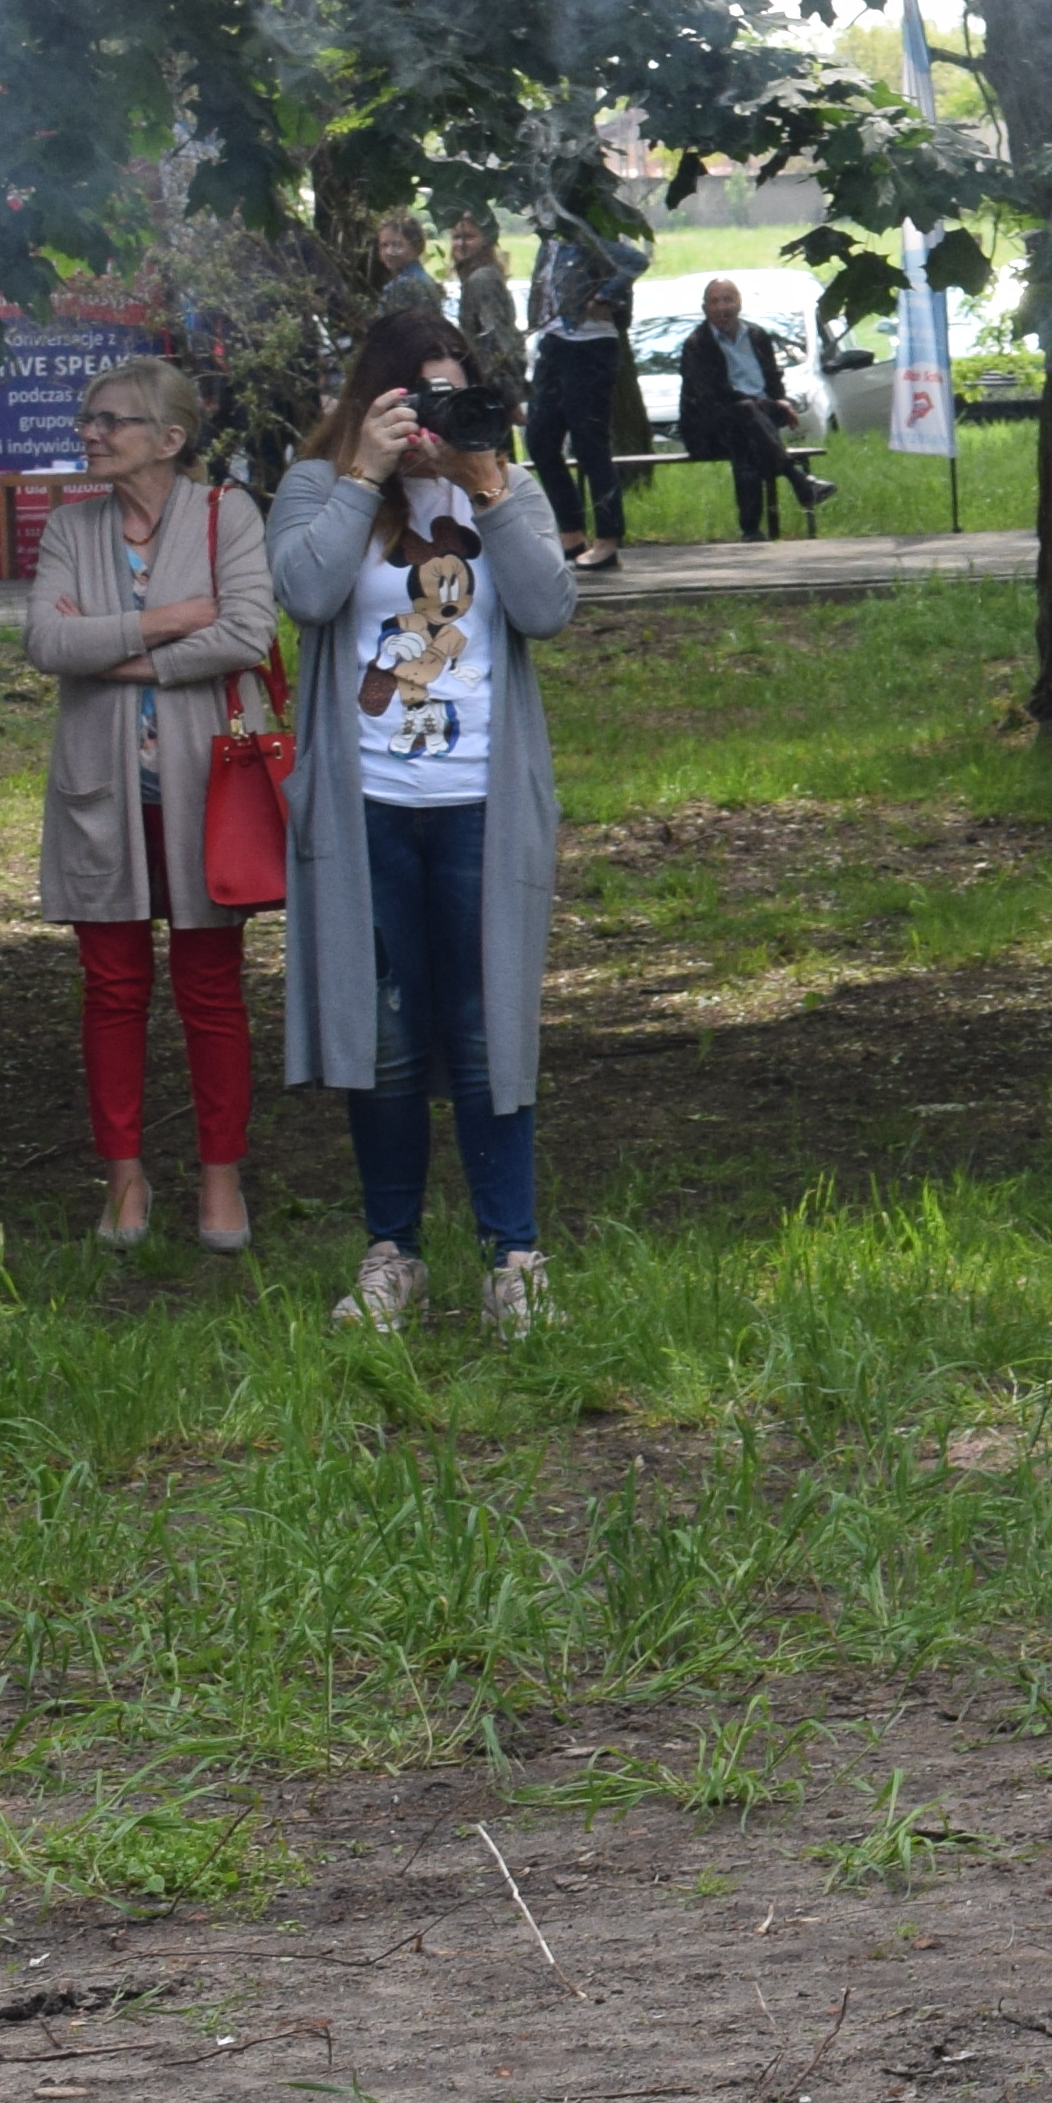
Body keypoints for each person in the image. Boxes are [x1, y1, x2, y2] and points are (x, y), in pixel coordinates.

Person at [273, 301, 582, 1333]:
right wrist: (363, 471)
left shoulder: (510, 489)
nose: (439, 418)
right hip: (366, 807)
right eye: (420, 396)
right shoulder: (319, 487)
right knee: (389, 1036)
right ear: (376, 401)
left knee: (492, 1026)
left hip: (482, 809)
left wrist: (490, 489)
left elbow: (548, 609)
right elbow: (305, 595)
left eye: (457, 393)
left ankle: (514, 1256)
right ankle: (392, 1251)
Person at [29, 357, 280, 1255]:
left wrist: (116, 654)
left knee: (211, 992)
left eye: (112, 421)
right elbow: (47, 640)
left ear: (170, 440)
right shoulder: (71, 526)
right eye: (86, 419)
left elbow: (249, 632)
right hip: (101, 795)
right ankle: (125, 1179)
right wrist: (172, 622)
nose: (90, 433)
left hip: (206, 794)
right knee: (112, 990)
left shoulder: (228, 515)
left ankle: (221, 1178)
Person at [522, 217, 640, 571]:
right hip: (555, 344)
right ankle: (570, 534)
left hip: (590, 348)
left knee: (589, 442)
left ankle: (608, 539)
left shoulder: (591, 239)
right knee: (540, 438)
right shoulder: (549, 246)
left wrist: (606, 295)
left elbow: (635, 261)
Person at [670, 278, 829, 538]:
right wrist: (767, 405)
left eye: (728, 299)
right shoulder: (697, 344)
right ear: (705, 308)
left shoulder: (756, 336)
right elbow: (712, 396)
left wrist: (782, 402)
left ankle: (752, 529)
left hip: (759, 421)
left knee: (746, 429)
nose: (723, 307)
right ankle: (797, 480)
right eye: (715, 301)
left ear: (739, 303)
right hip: (711, 428)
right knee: (743, 417)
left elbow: (774, 381)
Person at [446, 214, 530, 411]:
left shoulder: (482, 279)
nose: (460, 244)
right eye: (456, 237)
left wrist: (509, 397)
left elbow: (497, 338)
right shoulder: (475, 277)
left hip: (492, 385)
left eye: (469, 237)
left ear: (486, 241)